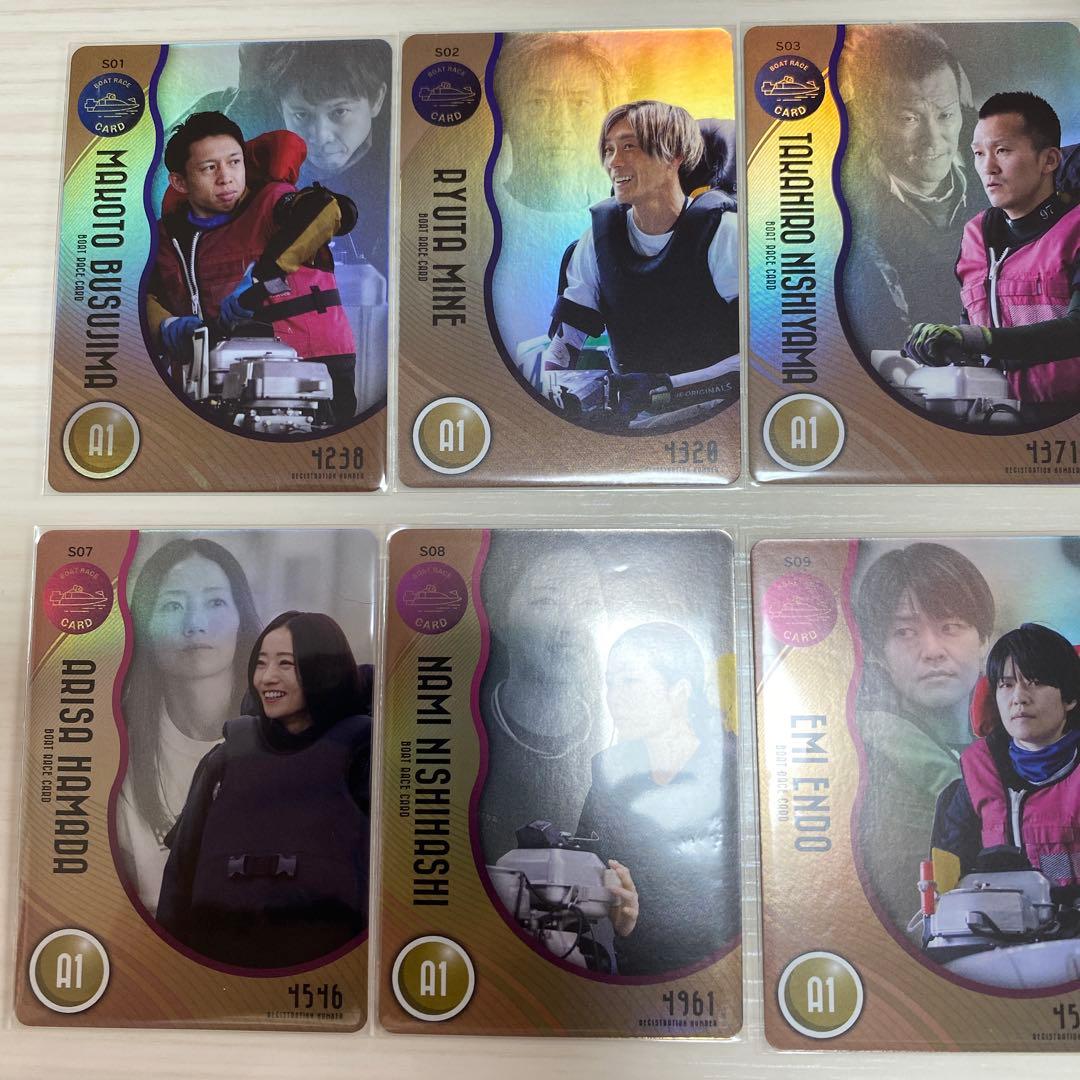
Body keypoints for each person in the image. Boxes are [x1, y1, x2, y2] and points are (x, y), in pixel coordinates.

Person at [157, 611, 371, 968]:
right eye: (261, 663)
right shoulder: (224, 760)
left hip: (330, 975)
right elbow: (178, 878)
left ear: (324, 670)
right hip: (218, 975)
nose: (267, 677)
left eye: (286, 664)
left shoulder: (365, 757)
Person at [145, 111, 361, 425]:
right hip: (216, 378)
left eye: (234, 162)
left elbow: (328, 209)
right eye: (209, 168)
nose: (226, 177)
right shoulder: (168, 237)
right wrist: (166, 326)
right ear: (179, 181)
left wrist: (262, 276)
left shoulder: (274, 203)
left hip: (313, 365)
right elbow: (141, 296)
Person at [540, 100, 739, 417]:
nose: (614, 162)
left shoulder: (725, 235)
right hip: (631, 411)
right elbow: (565, 344)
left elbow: (760, 356)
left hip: (716, 410)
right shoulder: (598, 239)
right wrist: (551, 387)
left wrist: (664, 389)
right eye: (609, 150)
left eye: (628, 147)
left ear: (674, 156)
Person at [575, 622, 739, 976]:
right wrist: (619, 914)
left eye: (630, 681)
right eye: (610, 682)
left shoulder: (738, 769)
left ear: (680, 690)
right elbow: (583, 865)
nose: (614, 696)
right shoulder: (608, 773)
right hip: (629, 977)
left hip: (726, 971)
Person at [852, 543, 994, 931]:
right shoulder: (865, 756)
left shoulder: (1031, 742)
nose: (932, 650)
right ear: (877, 654)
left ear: (984, 639)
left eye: (950, 626)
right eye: (905, 632)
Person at [904, 93, 1080, 408]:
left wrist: (977, 338)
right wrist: (944, 345)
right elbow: (973, 331)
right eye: (978, 153)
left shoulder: (1075, 229)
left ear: (1049, 161)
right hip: (995, 423)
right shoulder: (976, 235)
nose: (988, 167)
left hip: (1066, 421)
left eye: (1002, 151)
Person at [115, 537, 261, 915]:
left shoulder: (292, 738)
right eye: (172, 605)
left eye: (215, 602)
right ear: (145, 627)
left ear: (242, 618)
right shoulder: (114, 744)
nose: (195, 625)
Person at [838, 26, 981, 359]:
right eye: (909, 119)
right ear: (869, 120)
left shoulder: (1007, 148)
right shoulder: (836, 193)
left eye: (946, 115)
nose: (934, 139)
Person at [476, 534, 610, 864]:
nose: (571, 627)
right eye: (546, 602)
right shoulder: (463, 735)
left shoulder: (622, 733)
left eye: (589, 603)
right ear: (500, 620)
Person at [490, 33, 621, 361]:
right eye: (538, 103)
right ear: (507, 115)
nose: (560, 125)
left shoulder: (637, 225)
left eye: (580, 104)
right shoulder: (479, 221)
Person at [931, 623, 1080, 891]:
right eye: (1006, 685)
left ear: (1069, 697)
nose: (1019, 697)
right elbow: (949, 888)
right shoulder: (976, 775)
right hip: (997, 916)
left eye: (1035, 682)